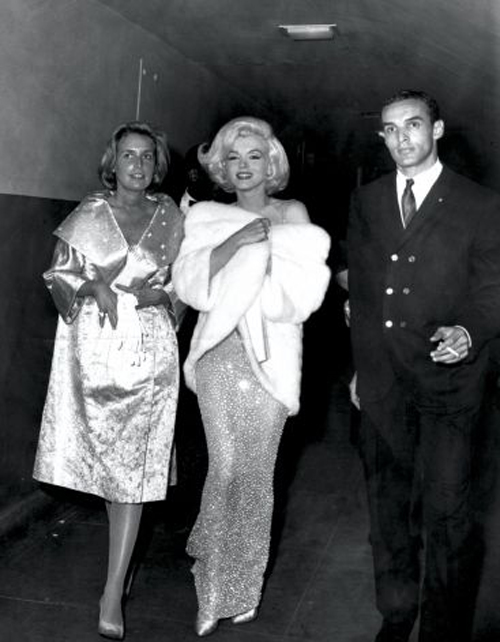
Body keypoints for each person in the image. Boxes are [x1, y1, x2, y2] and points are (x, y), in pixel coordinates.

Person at [347, 89, 500, 642]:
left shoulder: (479, 203)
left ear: (436, 130)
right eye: (390, 129)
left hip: (450, 385)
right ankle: (396, 614)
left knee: (448, 514)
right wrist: (361, 369)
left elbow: (494, 289)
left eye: (412, 125)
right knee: (387, 513)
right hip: (384, 384)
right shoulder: (367, 201)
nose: (401, 138)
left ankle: (443, 629)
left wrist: (469, 332)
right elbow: (365, 294)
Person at [172, 116, 331, 636]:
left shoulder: (292, 214)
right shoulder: (206, 217)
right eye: (233, 158)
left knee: (256, 477)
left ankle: (242, 585)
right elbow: (192, 284)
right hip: (218, 355)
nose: (243, 166)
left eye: (254, 156)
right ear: (221, 166)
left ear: (272, 162)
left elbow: (300, 298)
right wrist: (239, 240)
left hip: (271, 360)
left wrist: (258, 260)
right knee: (224, 469)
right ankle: (212, 591)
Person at [33, 121, 184, 640]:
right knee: (111, 470)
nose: (138, 165)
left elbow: (188, 283)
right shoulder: (90, 214)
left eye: (147, 156)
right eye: (128, 156)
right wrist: (91, 288)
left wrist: (165, 296)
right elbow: (58, 274)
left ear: (157, 165)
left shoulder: (172, 217)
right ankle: (124, 561)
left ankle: (112, 590)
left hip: (151, 351)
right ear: (112, 163)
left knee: (134, 474)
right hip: (95, 351)